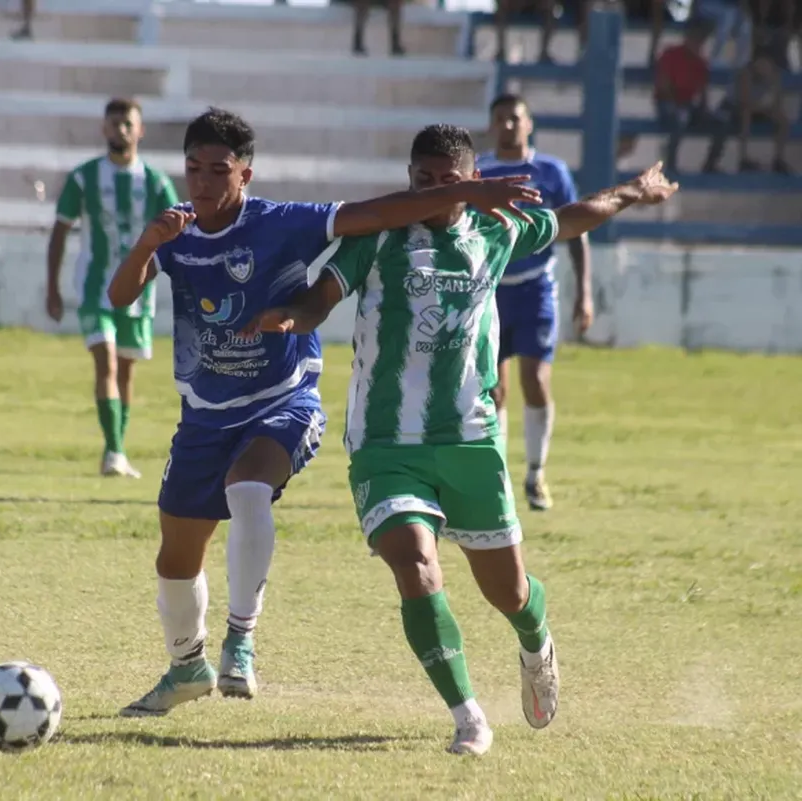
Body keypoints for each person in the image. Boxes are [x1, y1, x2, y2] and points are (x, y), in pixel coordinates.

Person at [242, 125, 678, 755]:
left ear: (472, 181)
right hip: (385, 440)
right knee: (415, 566)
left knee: (509, 593)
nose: (434, 192)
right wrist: (290, 317)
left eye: (449, 182)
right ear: (410, 177)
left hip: (470, 438)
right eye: (423, 180)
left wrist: (633, 191)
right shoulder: (381, 235)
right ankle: (468, 715)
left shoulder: (497, 230)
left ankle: (536, 639)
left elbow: (571, 219)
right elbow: (320, 299)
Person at [105, 107, 541, 717]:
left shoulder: (281, 223)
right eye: (193, 169)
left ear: (246, 174)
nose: (202, 182)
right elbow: (120, 295)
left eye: (218, 170)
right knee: (175, 555)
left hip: (283, 400)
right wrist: (149, 243)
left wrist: (467, 191)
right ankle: (186, 668)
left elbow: (373, 215)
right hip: (205, 412)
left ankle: (241, 640)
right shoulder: (177, 235)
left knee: (248, 488)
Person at [46, 98, 179, 478]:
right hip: (94, 288)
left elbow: (180, 232)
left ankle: (114, 447)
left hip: (139, 293)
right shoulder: (84, 177)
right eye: (114, 123)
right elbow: (60, 230)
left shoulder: (155, 182)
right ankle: (115, 453)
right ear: (103, 129)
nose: (120, 130)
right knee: (104, 363)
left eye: (128, 123)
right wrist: (52, 287)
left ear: (140, 131)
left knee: (125, 371)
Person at [475, 94, 592, 511]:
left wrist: (585, 291)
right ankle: (499, 478)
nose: (509, 125)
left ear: (530, 124)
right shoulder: (480, 172)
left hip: (536, 288)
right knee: (494, 390)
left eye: (516, 118)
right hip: (488, 290)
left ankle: (536, 473)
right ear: (491, 125)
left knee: (536, 381)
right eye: (501, 118)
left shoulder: (552, 171)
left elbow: (576, 230)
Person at [653, 19, 727, 173]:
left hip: (687, 105)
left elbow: (703, 93)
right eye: (695, 37)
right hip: (667, 103)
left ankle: (710, 164)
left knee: (721, 122)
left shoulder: (701, 63)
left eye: (701, 39)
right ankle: (671, 162)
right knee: (681, 117)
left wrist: (704, 111)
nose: (697, 42)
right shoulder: (670, 54)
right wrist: (680, 104)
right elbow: (664, 87)